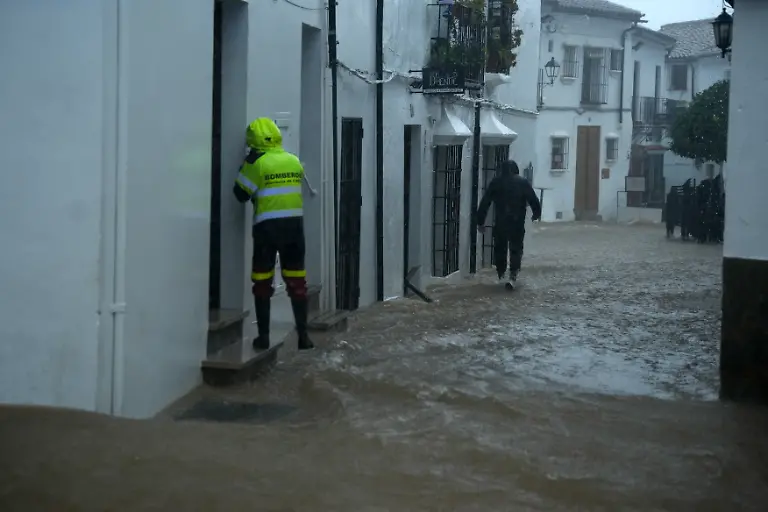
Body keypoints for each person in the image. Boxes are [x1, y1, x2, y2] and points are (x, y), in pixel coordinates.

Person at [233, 117, 316, 351]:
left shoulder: (257, 163)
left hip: (267, 230)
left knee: (262, 281)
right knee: (297, 281)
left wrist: (245, 166)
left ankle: (264, 337)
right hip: (294, 229)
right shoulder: (294, 161)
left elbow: (240, 194)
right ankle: (304, 337)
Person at [475, 160, 541, 290]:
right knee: (516, 249)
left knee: (500, 248)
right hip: (516, 222)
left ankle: (501, 274)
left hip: (501, 222)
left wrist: (480, 221)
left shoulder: (496, 182)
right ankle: (513, 277)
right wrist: (536, 214)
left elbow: (485, 202)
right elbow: (533, 200)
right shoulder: (522, 183)